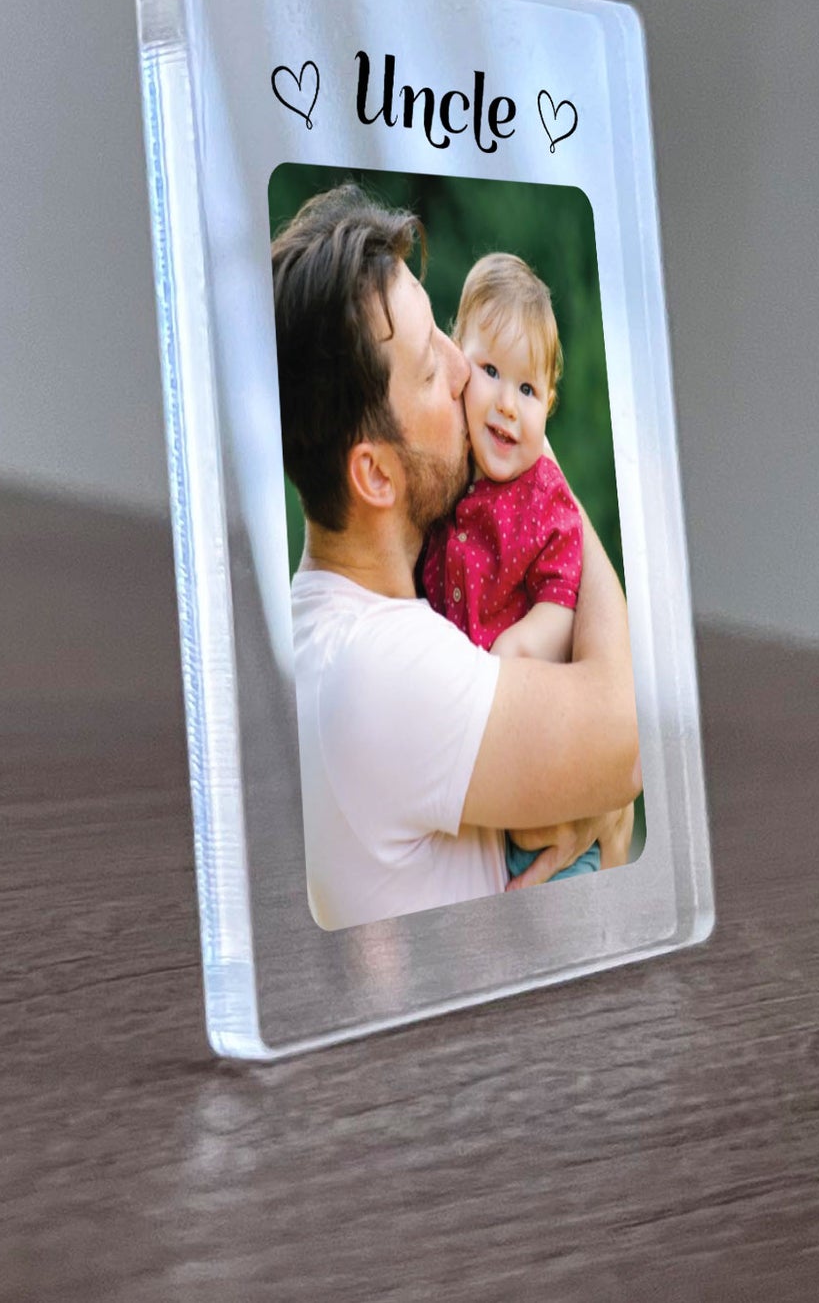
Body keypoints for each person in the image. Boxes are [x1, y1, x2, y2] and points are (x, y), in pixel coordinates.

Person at [272, 184, 638, 931]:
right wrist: (535, 453)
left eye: (444, 329)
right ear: (376, 475)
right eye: (431, 369)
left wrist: (594, 795)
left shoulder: (329, 629)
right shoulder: (380, 669)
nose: (467, 371)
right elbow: (631, 738)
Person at [420, 252, 617, 883]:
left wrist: (517, 649)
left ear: (549, 404)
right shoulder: (448, 475)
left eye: (528, 390)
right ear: (458, 362)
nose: (508, 404)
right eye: (491, 372)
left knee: (559, 880)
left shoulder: (545, 499)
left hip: (533, 741)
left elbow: (563, 603)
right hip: (477, 772)